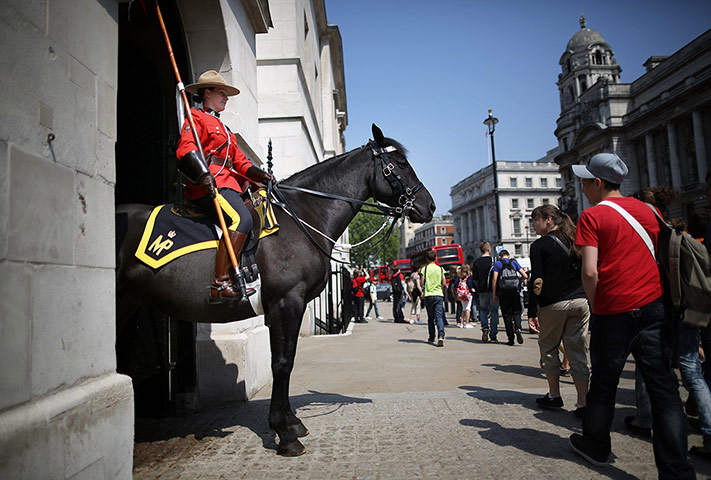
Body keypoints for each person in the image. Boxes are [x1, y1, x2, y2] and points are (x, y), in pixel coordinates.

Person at [568, 152, 694, 478]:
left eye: (584, 181)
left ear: (597, 182)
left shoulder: (592, 217)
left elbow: (590, 273)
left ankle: (596, 446)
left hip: (613, 310)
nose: (582, 187)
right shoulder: (650, 211)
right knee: (664, 389)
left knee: (604, 384)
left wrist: (596, 307)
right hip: (654, 307)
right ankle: (676, 471)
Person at [176, 70, 275, 303]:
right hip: (209, 186)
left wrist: (261, 175)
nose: (226, 98)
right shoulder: (195, 117)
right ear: (207, 92)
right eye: (222, 93)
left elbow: (240, 162)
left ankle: (248, 270)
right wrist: (202, 174)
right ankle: (220, 284)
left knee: (256, 214)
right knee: (241, 219)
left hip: (229, 186)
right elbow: (185, 149)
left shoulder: (227, 130)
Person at [527, 204, 590, 418]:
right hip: (580, 301)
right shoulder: (575, 240)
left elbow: (537, 280)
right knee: (578, 350)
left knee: (549, 348)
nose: (533, 224)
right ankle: (583, 402)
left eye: (536, 219)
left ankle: (554, 395)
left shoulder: (539, 246)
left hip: (554, 302)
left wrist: (531, 311)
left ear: (549, 221)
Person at [492, 250, 528, 346]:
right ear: (508, 255)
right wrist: (518, 282)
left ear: (500, 256)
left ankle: (510, 339)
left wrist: (494, 294)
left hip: (503, 293)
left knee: (507, 315)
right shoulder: (514, 262)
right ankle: (518, 328)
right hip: (515, 291)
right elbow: (525, 275)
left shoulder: (498, 264)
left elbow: (495, 279)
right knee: (517, 311)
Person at [472, 242, 500, 343]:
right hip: (493, 290)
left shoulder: (476, 262)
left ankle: (485, 328)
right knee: (494, 312)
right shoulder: (495, 261)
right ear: (489, 249)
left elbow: (474, 278)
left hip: (482, 290)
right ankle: (493, 334)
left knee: (483, 311)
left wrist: (477, 288)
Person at [422, 250, 447, 347]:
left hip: (428, 294)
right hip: (439, 295)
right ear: (436, 258)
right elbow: (444, 282)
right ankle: (441, 335)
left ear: (427, 259)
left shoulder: (425, 269)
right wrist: (439, 287)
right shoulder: (440, 269)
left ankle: (432, 337)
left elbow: (422, 282)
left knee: (431, 318)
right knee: (439, 316)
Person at [458, 264, 476, 328]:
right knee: (468, 308)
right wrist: (472, 289)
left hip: (461, 295)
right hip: (467, 294)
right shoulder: (469, 277)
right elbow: (470, 284)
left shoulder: (460, 277)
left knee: (463, 309)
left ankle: (462, 323)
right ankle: (467, 323)